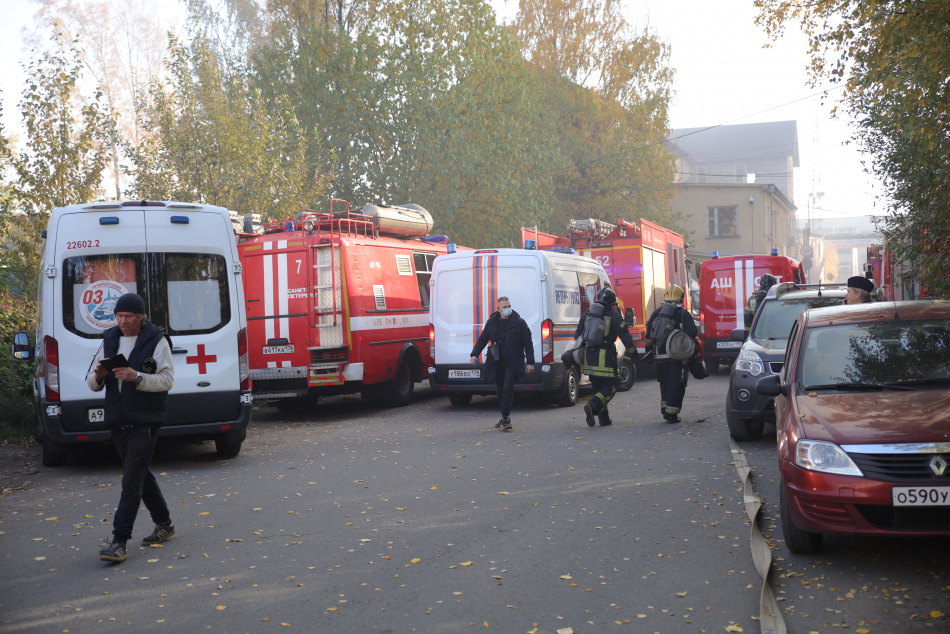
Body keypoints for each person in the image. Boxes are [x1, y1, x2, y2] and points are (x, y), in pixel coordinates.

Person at [87, 293, 176, 563]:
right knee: (140, 476)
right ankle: (164, 524)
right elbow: (91, 381)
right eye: (119, 316)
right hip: (118, 421)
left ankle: (119, 542)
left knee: (131, 481)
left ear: (141, 317)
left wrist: (136, 377)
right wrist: (99, 376)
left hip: (145, 421)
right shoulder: (110, 339)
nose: (123, 322)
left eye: (128, 316)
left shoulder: (157, 340)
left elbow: (167, 380)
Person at [470, 296, 535, 432]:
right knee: (500, 390)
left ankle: (505, 417)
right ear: (498, 309)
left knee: (507, 388)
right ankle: (504, 416)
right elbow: (483, 339)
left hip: (513, 361)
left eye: (509, 306)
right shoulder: (492, 322)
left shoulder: (519, 322)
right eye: (504, 307)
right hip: (496, 361)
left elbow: (527, 343)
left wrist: (530, 362)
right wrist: (474, 354)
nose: (507, 309)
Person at [575, 288, 638, 427]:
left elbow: (577, 335)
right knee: (612, 386)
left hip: (589, 359)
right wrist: (634, 354)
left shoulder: (587, 315)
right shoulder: (614, 316)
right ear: (611, 303)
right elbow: (625, 337)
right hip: (605, 359)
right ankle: (592, 405)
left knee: (598, 388)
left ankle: (604, 419)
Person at [647, 284, 698, 424]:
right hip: (677, 357)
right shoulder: (683, 314)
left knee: (664, 384)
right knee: (676, 385)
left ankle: (665, 410)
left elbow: (648, 336)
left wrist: (649, 355)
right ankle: (671, 415)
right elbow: (693, 332)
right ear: (681, 298)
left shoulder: (656, 313)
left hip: (659, 357)